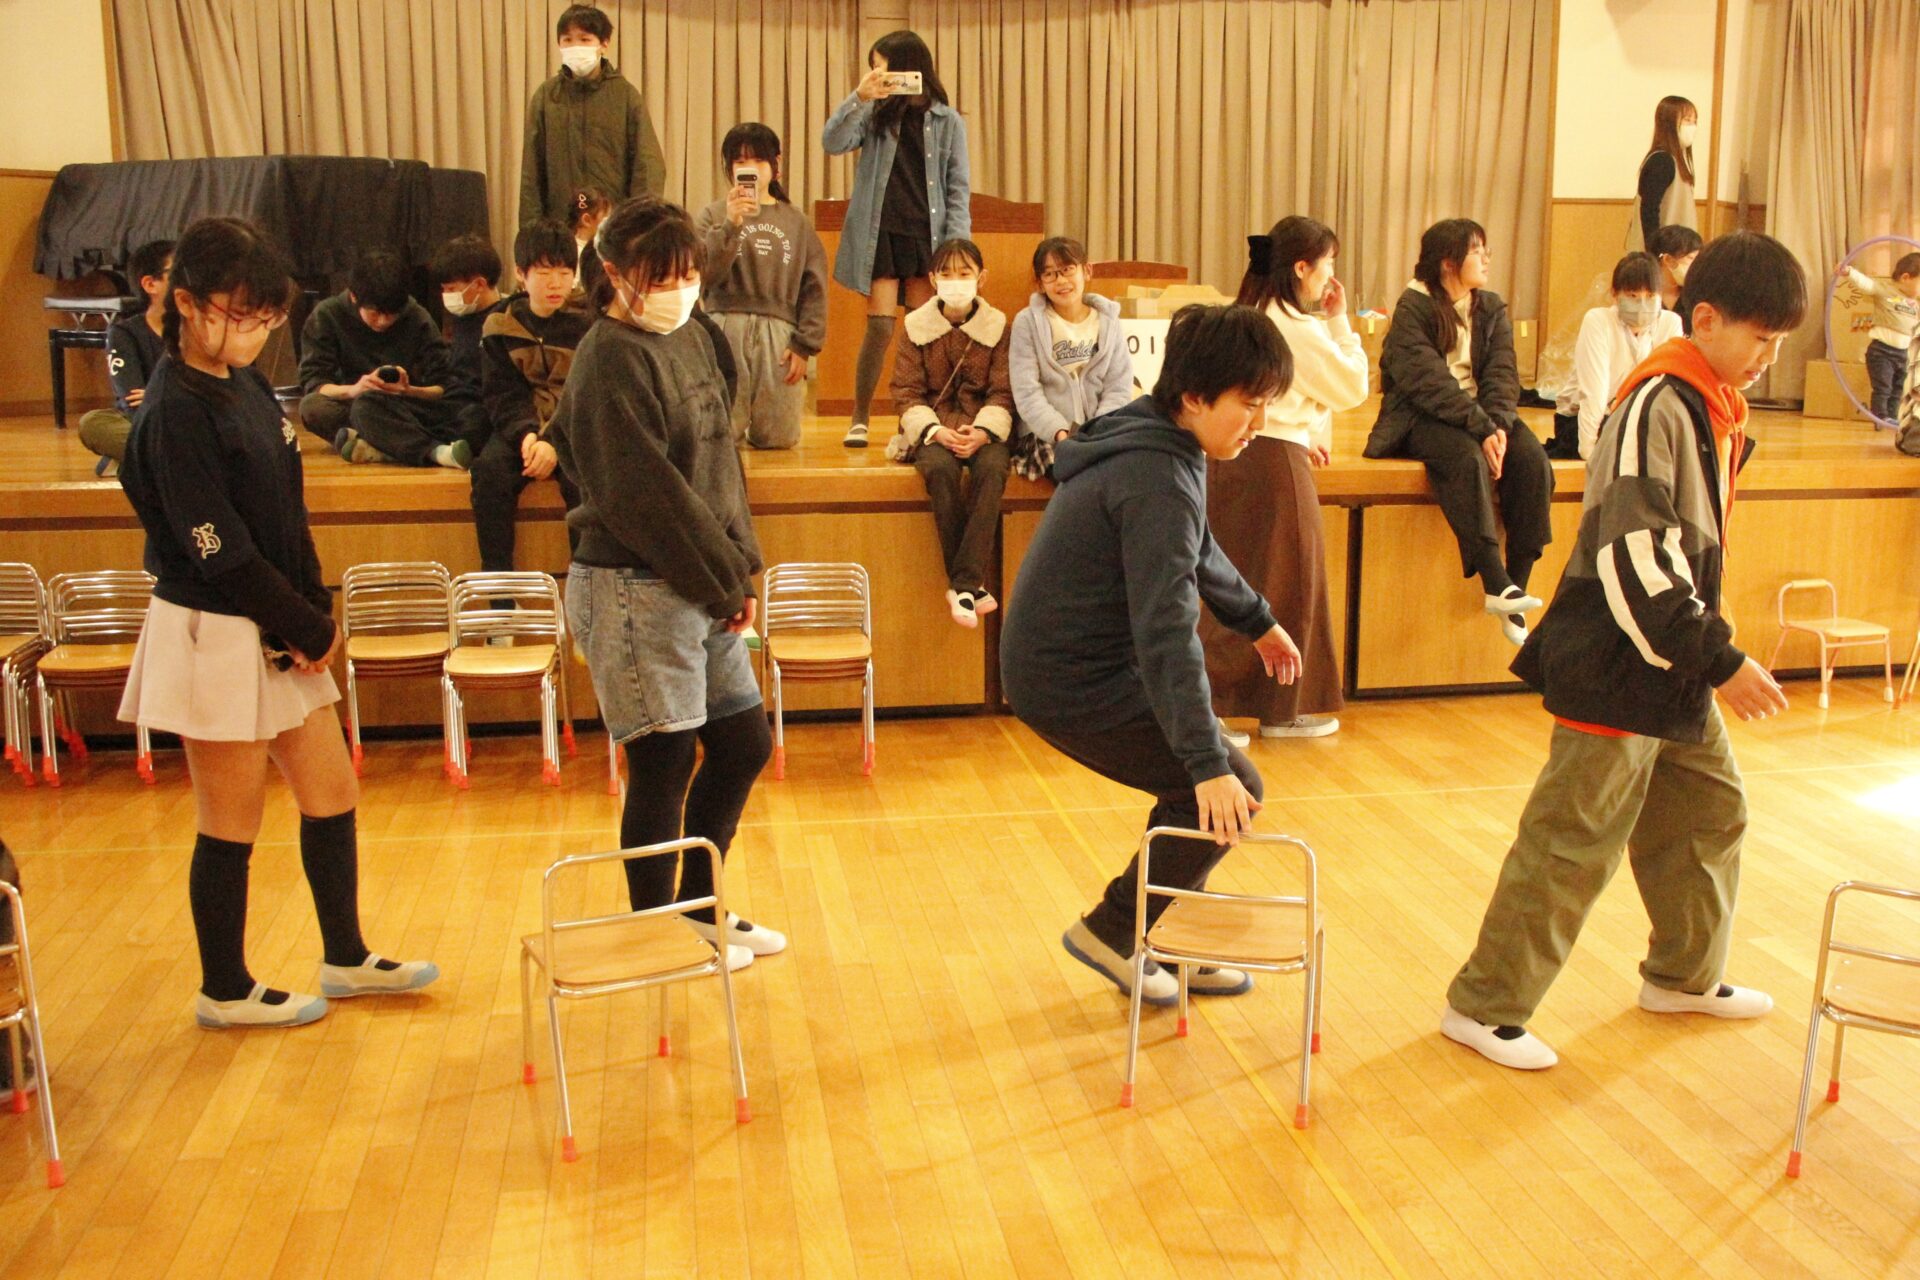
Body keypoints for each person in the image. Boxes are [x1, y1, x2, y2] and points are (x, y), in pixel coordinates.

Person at [1441, 231, 1806, 1071]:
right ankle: (1484, 1006)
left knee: (1710, 812)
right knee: (1573, 840)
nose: (1769, 359)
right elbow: (1636, 557)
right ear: (1705, 320)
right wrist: (1721, 660)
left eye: (1780, 343)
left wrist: (1703, 657)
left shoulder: (1713, 405)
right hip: (1617, 666)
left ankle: (1683, 976)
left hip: (1673, 666)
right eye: (1762, 338)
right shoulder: (1656, 406)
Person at [117, 216, 438, 1029]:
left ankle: (345, 956)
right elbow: (218, 550)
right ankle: (224, 988)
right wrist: (304, 624)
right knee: (230, 818)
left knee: (331, 789)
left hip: (276, 620)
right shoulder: (173, 409)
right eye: (239, 315)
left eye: (267, 318)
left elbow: (285, 513)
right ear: (185, 304)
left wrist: (312, 606)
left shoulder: (248, 385)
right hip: (215, 628)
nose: (255, 332)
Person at [1002, 304, 1301, 1005]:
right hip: (1067, 677)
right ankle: (1114, 931)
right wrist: (1205, 763)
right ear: (1194, 396)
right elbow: (1168, 632)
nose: (1259, 423)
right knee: (1226, 789)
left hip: (1078, 662)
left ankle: (1161, 935)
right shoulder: (1156, 474)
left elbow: (1197, 547)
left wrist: (1256, 620)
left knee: (1213, 789)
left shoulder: (1161, 438)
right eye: (1249, 404)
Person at [547, 195, 784, 968]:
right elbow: (648, 498)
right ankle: (658, 933)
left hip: (702, 578)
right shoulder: (608, 357)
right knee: (664, 762)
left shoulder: (693, 335)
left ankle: (699, 908)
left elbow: (720, 461)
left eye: (687, 275)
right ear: (614, 274)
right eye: (660, 277)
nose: (678, 290)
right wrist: (723, 584)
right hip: (632, 586)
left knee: (742, 743)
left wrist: (742, 567)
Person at [1207, 217, 1365, 745]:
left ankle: (1217, 707)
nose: (1331, 276)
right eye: (1327, 264)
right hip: (1274, 463)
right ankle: (1280, 709)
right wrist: (1340, 322)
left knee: (1230, 581)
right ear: (1301, 267)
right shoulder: (1296, 325)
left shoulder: (1253, 310)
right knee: (1290, 582)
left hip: (1233, 456)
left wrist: (1309, 428)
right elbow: (1351, 387)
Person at [1365, 219, 1553, 647]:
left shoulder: (1490, 306)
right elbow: (1428, 383)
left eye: (1486, 250)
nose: (1487, 259)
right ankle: (1494, 579)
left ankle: (1514, 586)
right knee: (1466, 459)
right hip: (1422, 416)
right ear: (1448, 263)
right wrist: (1482, 428)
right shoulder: (1413, 307)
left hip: (1483, 416)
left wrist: (1498, 427)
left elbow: (1504, 373)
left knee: (1533, 461)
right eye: (1476, 251)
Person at [822, 29, 971, 448]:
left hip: (928, 235)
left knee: (925, 329)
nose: (877, 73)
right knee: (880, 326)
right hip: (883, 232)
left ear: (908, 65)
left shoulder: (947, 120)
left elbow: (958, 186)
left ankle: (919, 417)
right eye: (873, 67)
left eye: (881, 65)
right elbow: (832, 142)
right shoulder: (875, 113)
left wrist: (957, 246)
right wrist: (860, 96)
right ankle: (860, 416)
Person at [886, 238, 1014, 628]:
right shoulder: (914, 328)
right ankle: (970, 585)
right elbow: (905, 391)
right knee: (939, 470)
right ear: (932, 279)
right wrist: (935, 431)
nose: (955, 281)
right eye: (946, 273)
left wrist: (984, 431)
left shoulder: (999, 327)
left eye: (964, 273)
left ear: (981, 278)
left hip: (982, 428)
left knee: (992, 469)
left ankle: (961, 585)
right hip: (934, 428)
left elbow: (1003, 390)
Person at [695, 123, 829, 450]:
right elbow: (703, 274)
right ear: (729, 168)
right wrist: (731, 224)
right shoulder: (712, 215)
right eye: (740, 162)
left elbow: (814, 287)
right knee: (721, 432)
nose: (750, 168)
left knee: (779, 437)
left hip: (779, 334)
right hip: (724, 326)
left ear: (775, 164)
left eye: (758, 160)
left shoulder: (796, 221)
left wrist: (805, 344)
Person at [471, 219, 592, 583]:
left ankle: (586, 589)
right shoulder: (500, 324)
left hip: (573, 427)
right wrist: (527, 436)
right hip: (521, 427)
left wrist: (553, 440)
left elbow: (588, 394)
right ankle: (499, 596)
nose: (556, 283)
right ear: (521, 274)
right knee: (489, 473)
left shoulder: (590, 323)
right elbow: (501, 394)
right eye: (544, 272)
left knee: (585, 479)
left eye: (565, 272)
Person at [298, 249, 469, 469]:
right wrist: (354, 390)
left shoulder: (416, 316)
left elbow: (445, 385)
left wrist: (408, 390)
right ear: (354, 297)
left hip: (401, 406)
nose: (383, 321)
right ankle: (426, 449)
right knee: (313, 407)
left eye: (392, 314)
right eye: (374, 313)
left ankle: (378, 447)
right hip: (353, 403)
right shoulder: (327, 315)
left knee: (463, 411)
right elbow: (315, 383)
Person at [518, 4, 665, 227]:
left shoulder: (625, 96)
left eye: (585, 40)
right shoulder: (546, 96)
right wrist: (533, 229)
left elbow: (647, 166)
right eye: (568, 40)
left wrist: (638, 226)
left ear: (604, 44)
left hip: (613, 227)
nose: (575, 46)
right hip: (561, 226)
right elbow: (532, 171)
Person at [1006, 236, 1135, 478]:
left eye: (1067, 270)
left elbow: (1118, 387)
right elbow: (1026, 393)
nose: (1061, 281)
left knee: (1132, 467)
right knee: (1077, 471)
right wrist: (1060, 433)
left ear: (1086, 271)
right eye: (1050, 274)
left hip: (1099, 432)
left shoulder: (1108, 320)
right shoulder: (1028, 322)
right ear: (1039, 282)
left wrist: (1097, 431)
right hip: (1046, 434)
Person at [1547, 251, 1683, 460]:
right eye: (1632, 296)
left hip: (1636, 417)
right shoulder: (1598, 321)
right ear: (1615, 295)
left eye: (1650, 296)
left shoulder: (1670, 323)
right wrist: (1589, 451)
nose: (1642, 305)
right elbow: (1594, 391)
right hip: (1585, 419)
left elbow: (1667, 384)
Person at [78, 238, 173, 470]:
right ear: (150, 284)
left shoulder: (203, 327)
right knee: (93, 424)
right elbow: (132, 402)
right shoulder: (124, 333)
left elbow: (219, 394)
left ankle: (150, 462)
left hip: (195, 422)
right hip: (150, 426)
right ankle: (169, 460)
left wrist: (160, 395)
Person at [1840, 251, 1920, 426]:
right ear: (1906, 278)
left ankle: (1893, 416)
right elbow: (1866, 284)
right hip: (1882, 352)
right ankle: (1880, 416)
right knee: (1883, 387)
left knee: (1899, 389)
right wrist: (1849, 272)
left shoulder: (1915, 303)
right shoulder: (1885, 290)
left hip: (1904, 355)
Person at [1631, 96, 1698, 251]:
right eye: (1687, 120)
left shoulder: (1676, 161)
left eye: (1695, 122)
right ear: (1669, 123)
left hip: (1678, 250)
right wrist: (1656, 252)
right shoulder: (1662, 161)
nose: (1693, 127)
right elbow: (1649, 211)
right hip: (1664, 252)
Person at [568, 186, 613, 302]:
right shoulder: (571, 250)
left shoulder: (606, 247)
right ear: (587, 220)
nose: (610, 224)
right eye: (606, 218)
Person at [1648, 224, 1703, 312]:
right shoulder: (1641, 293)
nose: (1696, 264)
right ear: (1668, 260)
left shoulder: (1697, 296)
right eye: (1691, 258)